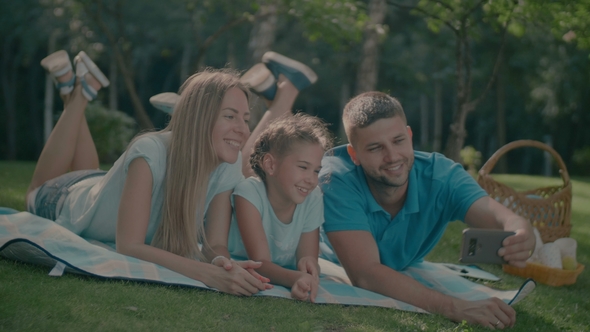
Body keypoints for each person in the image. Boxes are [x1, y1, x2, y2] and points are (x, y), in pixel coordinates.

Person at [25, 49, 309, 295]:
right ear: (200, 117)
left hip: (99, 187)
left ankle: (74, 87)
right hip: (62, 197)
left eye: (246, 119)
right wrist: (205, 274)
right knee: (35, 190)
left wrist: (224, 264)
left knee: (92, 173)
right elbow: (130, 245)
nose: (244, 129)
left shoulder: (228, 164)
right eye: (230, 116)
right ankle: (77, 96)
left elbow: (215, 243)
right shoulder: (149, 152)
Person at [319, 91, 535, 329]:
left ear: (410, 136)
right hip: (326, 258)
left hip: (399, 266)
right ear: (354, 154)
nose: (392, 157)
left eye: (398, 140)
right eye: (375, 148)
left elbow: (498, 217)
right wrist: (455, 307)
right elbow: (365, 274)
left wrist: (520, 230)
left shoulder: (442, 175)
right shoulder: (336, 179)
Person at [227, 113, 332, 302]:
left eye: (316, 170)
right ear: (270, 165)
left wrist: (310, 268)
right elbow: (259, 263)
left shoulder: (313, 197)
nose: (311, 179)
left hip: (281, 270)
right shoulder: (249, 193)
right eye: (303, 167)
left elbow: (308, 258)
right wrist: (296, 278)